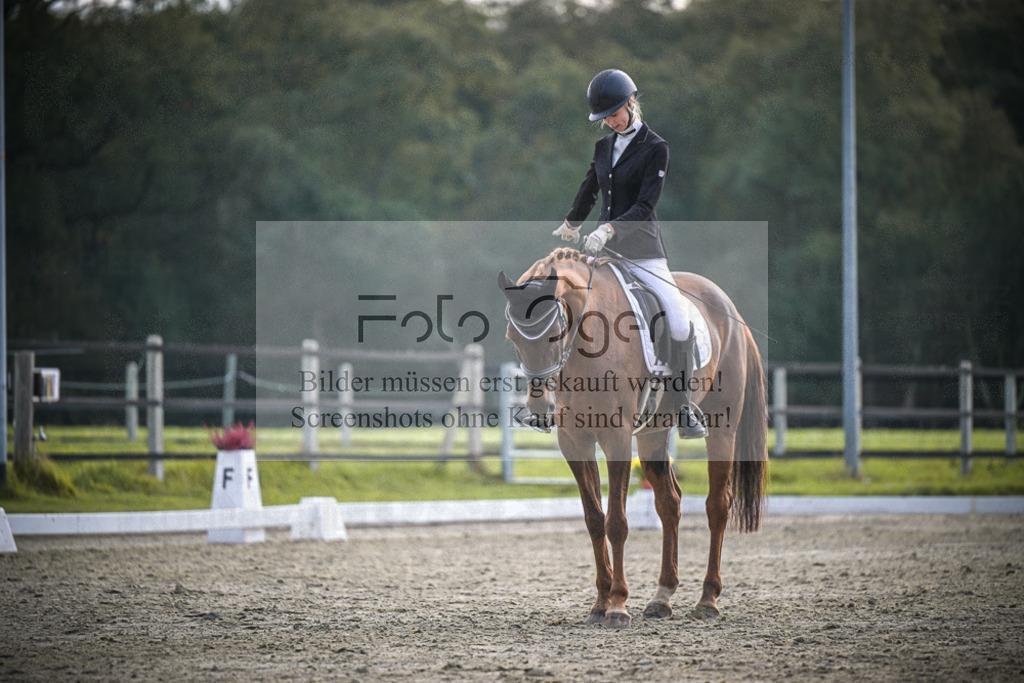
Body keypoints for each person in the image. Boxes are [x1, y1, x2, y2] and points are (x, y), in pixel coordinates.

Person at [552, 68, 707, 439]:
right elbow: (590, 187)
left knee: (678, 319)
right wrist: (573, 223)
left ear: (631, 103)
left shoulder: (656, 147)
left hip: (643, 252)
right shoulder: (603, 147)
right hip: (604, 254)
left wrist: (609, 229)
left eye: (614, 113)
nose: (609, 121)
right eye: (604, 117)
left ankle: (683, 405)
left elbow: (645, 204)